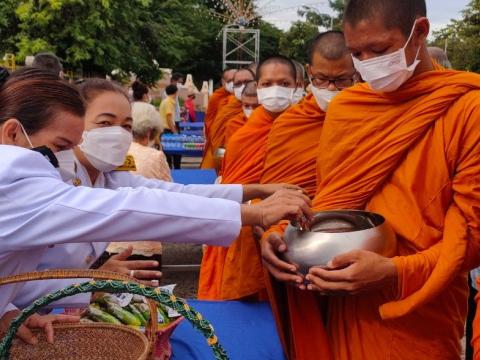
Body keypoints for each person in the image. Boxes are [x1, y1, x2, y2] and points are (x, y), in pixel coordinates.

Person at [0, 70, 313, 344]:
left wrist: (9, 314)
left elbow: (171, 194)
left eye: (126, 125)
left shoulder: (100, 176)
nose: (65, 159)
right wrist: (255, 213)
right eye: (60, 147)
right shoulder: (13, 179)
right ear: (12, 132)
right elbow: (129, 209)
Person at [262, 1, 480, 359]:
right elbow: (327, 201)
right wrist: (280, 235)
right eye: (357, 53)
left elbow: (472, 237)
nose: (367, 62)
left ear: (420, 32)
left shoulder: (467, 109)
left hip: (418, 308)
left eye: (379, 50)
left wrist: (394, 272)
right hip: (340, 300)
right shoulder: (349, 108)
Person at [260, 31, 357, 360]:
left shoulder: (373, 117)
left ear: (357, 71)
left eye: (342, 80)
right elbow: (277, 190)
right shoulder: (291, 125)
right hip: (302, 248)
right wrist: (273, 232)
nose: (331, 89)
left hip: (361, 247)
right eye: (321, 79)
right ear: (307, 73)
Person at [198, 55, 299, 301]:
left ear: (297, 86)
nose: (275, 90)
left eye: (284, 83)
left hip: (293, 227)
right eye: (267, 84)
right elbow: (234, 182)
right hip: (245, 224)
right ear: (259, 85)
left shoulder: (305, 126)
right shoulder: (245, 133)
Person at [208, 68, 255, 174]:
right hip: (227, 165)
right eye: (238, 83)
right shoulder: (227, 108)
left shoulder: (267, 110)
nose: (243, 86)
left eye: (247, 82)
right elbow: (219, 144)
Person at [201, 68, 236, 169]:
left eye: (235, 80)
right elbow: (209, 120)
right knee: (216, 165)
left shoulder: (244, 98)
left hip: (236, 139)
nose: (233, 84)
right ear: (223, 82)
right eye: (229, 81)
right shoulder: (217, 97)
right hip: (218, 141)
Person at [224, 80, 259, 146]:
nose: (251, 109)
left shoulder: (270, 123)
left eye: (256, 106)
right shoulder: (234, 124)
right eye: (246, 105)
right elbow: (229, 151)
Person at [160, 84, 183, 169]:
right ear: (176, 92)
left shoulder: (166, 101)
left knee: (168, 156)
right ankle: (176, 171)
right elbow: (169, 118)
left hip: (165, 130)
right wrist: (175, 132)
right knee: (175, 154)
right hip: (168, 131)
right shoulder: (169, 102)